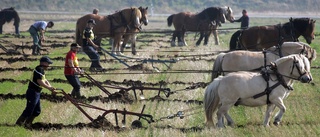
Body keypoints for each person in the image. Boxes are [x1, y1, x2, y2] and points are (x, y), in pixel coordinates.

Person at [15, 56, 56, 127]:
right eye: (48, 63)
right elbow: (39, 81)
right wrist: (49, 88)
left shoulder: (41, 70)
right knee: (29, 110)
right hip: (32, 92)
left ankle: (28, 123)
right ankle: (18, 124)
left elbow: (45, 80)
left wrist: (51, 87)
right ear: (43, 63)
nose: (49, 65)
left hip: (37, 93)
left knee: (37, 111)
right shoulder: (39, 69)